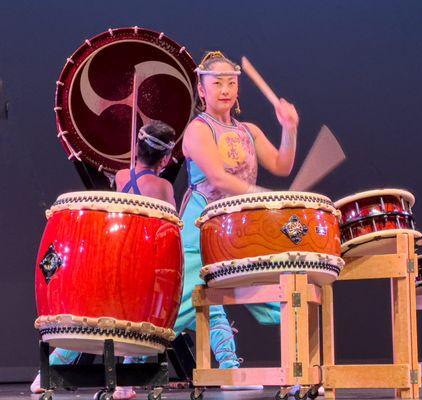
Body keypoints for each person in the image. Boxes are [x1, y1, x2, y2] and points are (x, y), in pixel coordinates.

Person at [173, 50, 299, 385]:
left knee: (278, 292)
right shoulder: (198, 130)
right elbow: (217, 178)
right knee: (177, 308)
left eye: (231, 82)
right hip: (200, 228)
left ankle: (295, 368)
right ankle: (88, 366)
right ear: (202, 90)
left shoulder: (250, 131)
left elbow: (282, 165)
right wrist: (263, 196)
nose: (225, 89)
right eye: (217, 83)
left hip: (237, 227)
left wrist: (289, 128)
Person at [31, 121, 177, 400]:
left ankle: (46, 371)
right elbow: (168, 230)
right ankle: (124, 383)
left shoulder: (122, 176)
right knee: (139, 323)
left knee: (91, 320)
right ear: (167, 158)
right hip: (139, 265)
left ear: (136, 148)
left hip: (113, 259)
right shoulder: (163, 188)